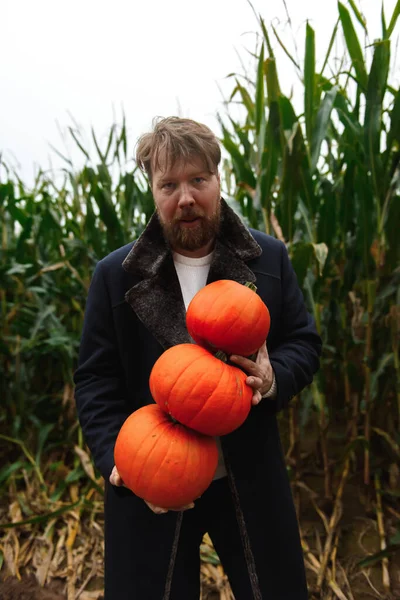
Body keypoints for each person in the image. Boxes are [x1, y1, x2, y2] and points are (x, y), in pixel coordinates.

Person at [74, 116, 322, 599]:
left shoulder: (267, 260)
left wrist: (273, 379)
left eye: (197, 180)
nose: (184, 198)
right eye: (168, 184)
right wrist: (116, 461)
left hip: (248, 473)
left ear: (217, 179)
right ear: (152, 189)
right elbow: (94, 380)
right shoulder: (116, 276)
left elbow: (304, 342)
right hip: (153, 482)